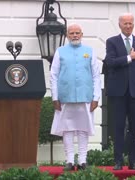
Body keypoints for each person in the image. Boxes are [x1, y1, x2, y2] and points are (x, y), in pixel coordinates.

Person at [50, 24, 101, 171]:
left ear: (82, 34)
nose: (75, 35)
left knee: (83, 129)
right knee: (68, 129)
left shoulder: (89, 51)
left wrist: (96, 97)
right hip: (65, 97)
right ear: (67, 35)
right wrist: (54, 97)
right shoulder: (60, 52)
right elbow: (53, 75)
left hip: (85, 96)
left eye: (77, 33)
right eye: (72, 33)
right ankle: (70, 160)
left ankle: (83, 160)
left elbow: (96, 76)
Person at [104, 13, 135, 170]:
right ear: (120, 24)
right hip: (118, 93)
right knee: (118, 128)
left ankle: (133, 161)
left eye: (131, 23)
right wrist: (129, 57)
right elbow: (110, 62)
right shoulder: (112, 42)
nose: (128, 26)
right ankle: (118, 161)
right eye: (125, 24)